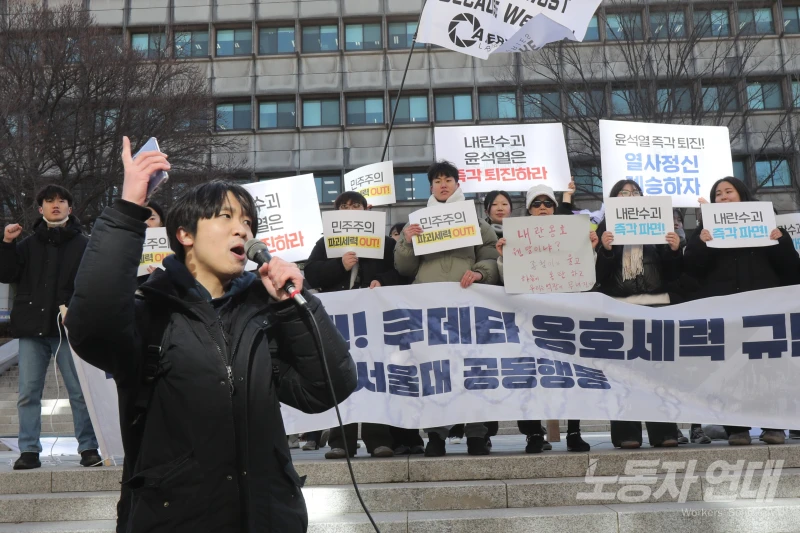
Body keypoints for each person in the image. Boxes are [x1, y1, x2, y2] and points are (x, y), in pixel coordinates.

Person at [65, 137, 357, 533]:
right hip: (174, 518)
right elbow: (92, 325)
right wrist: (128, 210)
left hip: (268, 518)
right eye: (225, 217)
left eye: (248, 222)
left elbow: (327, 387)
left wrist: (293, 302)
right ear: (185, 234)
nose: (241, 229)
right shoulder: (151, 314)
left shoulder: (265, 313)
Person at [684, 177, 800, 446]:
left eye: (729, 192)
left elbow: (791, 270)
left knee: (770, 368)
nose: (724, 198)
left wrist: (781, 242)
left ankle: (775, 426)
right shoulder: (705, 229)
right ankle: (736, 428)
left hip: (764, 309)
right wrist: (701, 243)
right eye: (719, 194)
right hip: (725, 310)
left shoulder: (766, 222)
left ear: (742, 194)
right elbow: (690, 271)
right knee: (730, 370)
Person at [394, 160, 499, 457]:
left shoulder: (477, 223)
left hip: (469, 305)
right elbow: (403, 268)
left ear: (456, 184)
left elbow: (491, 258)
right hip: (428, 307)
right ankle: (436, 435)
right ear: (431, 187)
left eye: (448, 179)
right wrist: (407, 242)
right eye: (437, 180)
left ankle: (476, 433)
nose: (443, 184)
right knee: (435, 371)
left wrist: (480, 273)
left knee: (472, 368)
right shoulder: (416, 223)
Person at [0, 185, 101, 470]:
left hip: (70, 328)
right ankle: (29, 450)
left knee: (79, 391)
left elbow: (94, 284)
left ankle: (88, 447)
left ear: (70, 207)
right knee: (28, 393)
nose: (55, 205)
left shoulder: (85, 243)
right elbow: (6, 274)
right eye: (49, 201)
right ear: (40, 208)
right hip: (32, 329)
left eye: (61, 201)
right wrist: (7, 243)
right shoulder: (27, 244)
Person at [496, 184, 597, 453]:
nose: (542, 207)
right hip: (529, 318)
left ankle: (574, 431)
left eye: (548, 203)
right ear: (528, 209)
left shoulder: (573, 234)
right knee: (529, 374)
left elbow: (587, 274)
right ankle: (533, 434)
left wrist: (592, 249)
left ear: (554, 208)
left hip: (566, 315)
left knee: (570, 373)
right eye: (537, 203)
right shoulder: (516, 237)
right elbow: (509, 280)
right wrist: (503, 256)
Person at [304, 191, 405, 459]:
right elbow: (311, 274)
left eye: (355, 205)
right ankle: (341, 441)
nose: (350, 209)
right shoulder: (325, 242)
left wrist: (381, 280)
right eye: (344, 206)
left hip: (373, 322)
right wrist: (340, 265)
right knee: (340, 377)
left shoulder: (384, 243)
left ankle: (379, 439)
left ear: (366, 209)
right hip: (339, 322)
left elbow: (401, 271)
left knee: (374, 375)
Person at [595, 180, 684, 449]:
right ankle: (626, 434)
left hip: (656, 305)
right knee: (621, 372)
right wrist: (606, 251)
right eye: (623, 193)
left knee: (659, 371)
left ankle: (665, 431)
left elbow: (674, 273)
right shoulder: (605, 229)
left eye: (634, 193)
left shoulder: (659, 225)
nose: (630, 196)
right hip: (619, 307)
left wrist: (673, 249)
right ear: (612, 200)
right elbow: (596, 276)